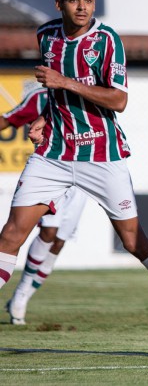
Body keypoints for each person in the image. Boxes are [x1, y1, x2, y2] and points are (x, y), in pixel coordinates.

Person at [0, 0, 148, 354]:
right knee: (12, 233)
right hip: (55, 155)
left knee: (133, 241)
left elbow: (118, 100)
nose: (83, 7)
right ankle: (19, 303)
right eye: (75, 0)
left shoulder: (107, 40)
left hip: (102, 153)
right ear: (59, 3)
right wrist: (45, 118)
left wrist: (64, 83)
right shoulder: (46, 36)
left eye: (89, 0)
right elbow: (57, 97)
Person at [1, 86, 89, 325]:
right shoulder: (41, 98)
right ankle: (20, 297)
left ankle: (24, 293)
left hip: (85, 175)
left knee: (59, 240)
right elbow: (8, 120)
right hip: (51, 173)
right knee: (48, 231)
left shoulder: (87, 93)